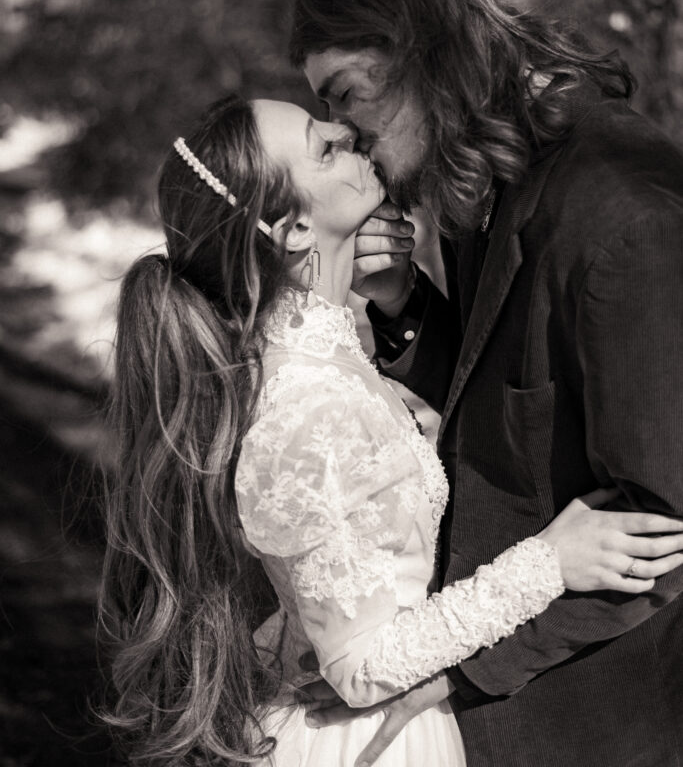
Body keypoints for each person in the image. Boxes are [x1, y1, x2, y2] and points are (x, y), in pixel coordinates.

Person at [99, 95, 683, 767]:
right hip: (373, 741)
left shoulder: (322, 351)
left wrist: (394, 291)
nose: (350, 130)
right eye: (324, 147)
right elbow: (359, 665)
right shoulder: (305, 404)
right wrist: (549, 562)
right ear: (291, 230)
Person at [289, 0, 683, 767]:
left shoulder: (624, 217)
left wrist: (457, 665)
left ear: (421, 50)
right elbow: (494, 420)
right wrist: (402, 303)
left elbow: (665, 526)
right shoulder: (495, 172)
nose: (344, 133)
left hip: (600, 721)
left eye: (348, 95)